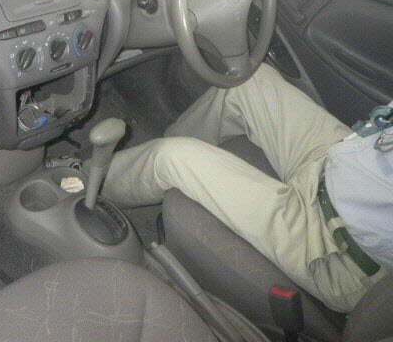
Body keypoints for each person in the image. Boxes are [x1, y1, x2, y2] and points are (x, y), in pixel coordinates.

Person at [102, 63, 390, 313]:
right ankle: (144, 163)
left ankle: (89, 184)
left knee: (169, 158)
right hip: (342, 163)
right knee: (249, 82)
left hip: (336, 245)